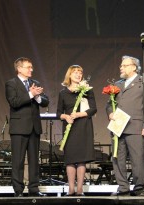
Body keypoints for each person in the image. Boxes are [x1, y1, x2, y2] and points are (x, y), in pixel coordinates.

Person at [106, 55, 144, 196]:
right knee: (117, 158)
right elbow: (109, 104)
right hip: (118, 126)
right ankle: (123, 187)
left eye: (124, 65)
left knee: (137, 158)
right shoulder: (118, 84)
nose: (121, 67)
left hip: (136, 125)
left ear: (134, 67)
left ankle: (139, 187)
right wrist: (110, 113)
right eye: (121, 65)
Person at [5, 57, 49, 197]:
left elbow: (45, 101)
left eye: (31, 67)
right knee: (18, 160)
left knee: (34, 160)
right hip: (19, 127)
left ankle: (34, 189)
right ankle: (18, 190)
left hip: (34, 127)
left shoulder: (35, 83)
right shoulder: (11, 84)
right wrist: (31, 94)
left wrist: (37, 97)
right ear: (19, 68)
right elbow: (14, 102)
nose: (31, 69)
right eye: (28, 67)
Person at [57, 65, 97, 196]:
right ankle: (71, 189)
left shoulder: (87, 90)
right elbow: (59, 112)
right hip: (70, 128)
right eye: (75, 72)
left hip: (83, 126)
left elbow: (93, 109)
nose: (78, 75)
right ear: (69, 75)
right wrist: (66, 117)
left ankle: (80, 189)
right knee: (70, 159)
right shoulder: (63, 93)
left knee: (81, 159)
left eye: (80, 73)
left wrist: (79, 114)